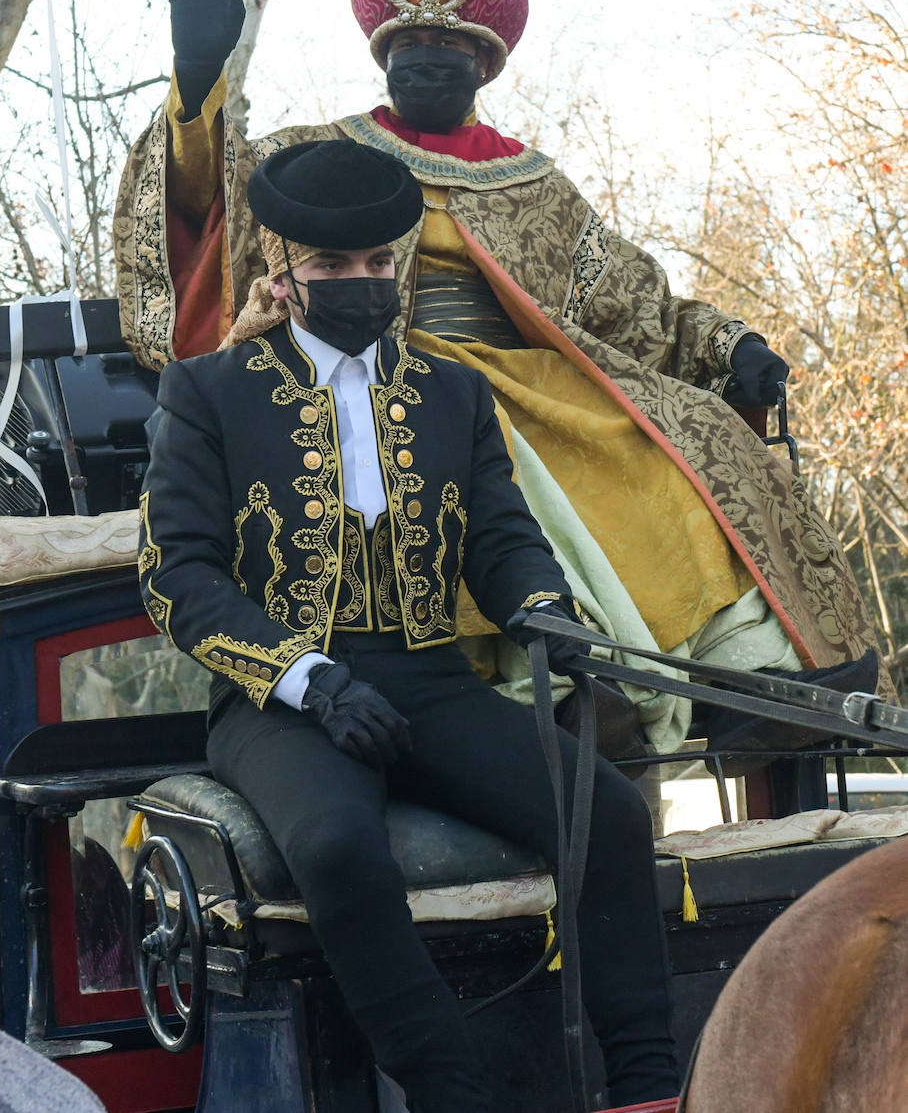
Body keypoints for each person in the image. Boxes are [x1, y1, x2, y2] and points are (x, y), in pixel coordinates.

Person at [116, 0, 884, 753]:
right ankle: (560, 682)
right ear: (382, 60)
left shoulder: (536, 184)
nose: (426, 63)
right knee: (493, 466)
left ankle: (741, 675)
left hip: (546, 386)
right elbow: (214, 212)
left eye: (448, 50)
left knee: (690, 442)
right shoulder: (322, 158)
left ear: (483, 66)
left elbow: (637, 305)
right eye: (409, 48)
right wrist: (198, 82)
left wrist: (730, 346)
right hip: (388, 375)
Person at [138, 139, 680, 1112]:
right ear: (283, 273)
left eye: (378, 264)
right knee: (341, 848)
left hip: (429, 681)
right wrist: (310, 678)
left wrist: (545, 610)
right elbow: (178, 579)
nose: (361, 282)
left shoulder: (452, 390)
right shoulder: (208, 393)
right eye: (333, 268)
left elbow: (503, 539)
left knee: (607, 815)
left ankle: (644, 1090)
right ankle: (451, 1092)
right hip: (279, 702)